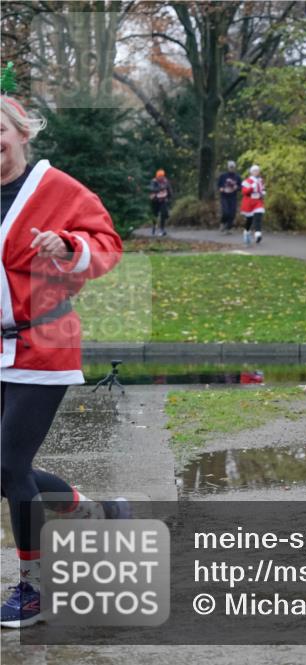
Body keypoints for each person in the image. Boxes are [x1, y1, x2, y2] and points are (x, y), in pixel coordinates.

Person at [0, 92, 128, 628]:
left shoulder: (56, 188)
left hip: (44, 342)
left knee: (7, 466)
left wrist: (69, 246)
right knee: (10, 469)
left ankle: (35, 587)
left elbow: (107, 244)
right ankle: (94, 509)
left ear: (22, 133)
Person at [240, 164, 265, 245]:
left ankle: (258, 234)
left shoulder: (260, 180)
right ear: (251, 172)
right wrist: (251, 187)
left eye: (257, 170)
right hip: (249, 202)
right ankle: (246, 232)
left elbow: (262, 189)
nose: (256, 172)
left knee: (258, 216)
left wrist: (263, 193)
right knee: (249, 220)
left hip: (258, 201)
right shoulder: (247, 181)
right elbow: (244, 192)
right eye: (254, 171)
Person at [217, 161, 241, 234]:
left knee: (232, 213)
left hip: (233, 196)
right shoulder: (223, 176)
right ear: (228, 167)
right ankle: (222, 223)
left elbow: (241, 187)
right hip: (224, 196)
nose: (231, 168)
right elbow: (218, 185)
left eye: (233, 167)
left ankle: (228, 228)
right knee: (226, 212)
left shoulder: (237, 177)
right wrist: (220, 188)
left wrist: (237, 187)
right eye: (230, 167)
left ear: (235, 168)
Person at [148, 169, 172, 236]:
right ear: (157, 176)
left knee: (163, 214)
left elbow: (169, 189)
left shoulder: (166, 181)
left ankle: (162, 229)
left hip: (163, 200)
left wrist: (169, 197)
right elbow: (151, 189)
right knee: (154, 214)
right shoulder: (153, 181)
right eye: (160, 176)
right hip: (155, 200)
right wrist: (160, 188)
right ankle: (154, 227)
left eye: (162, 176)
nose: (161, 177)